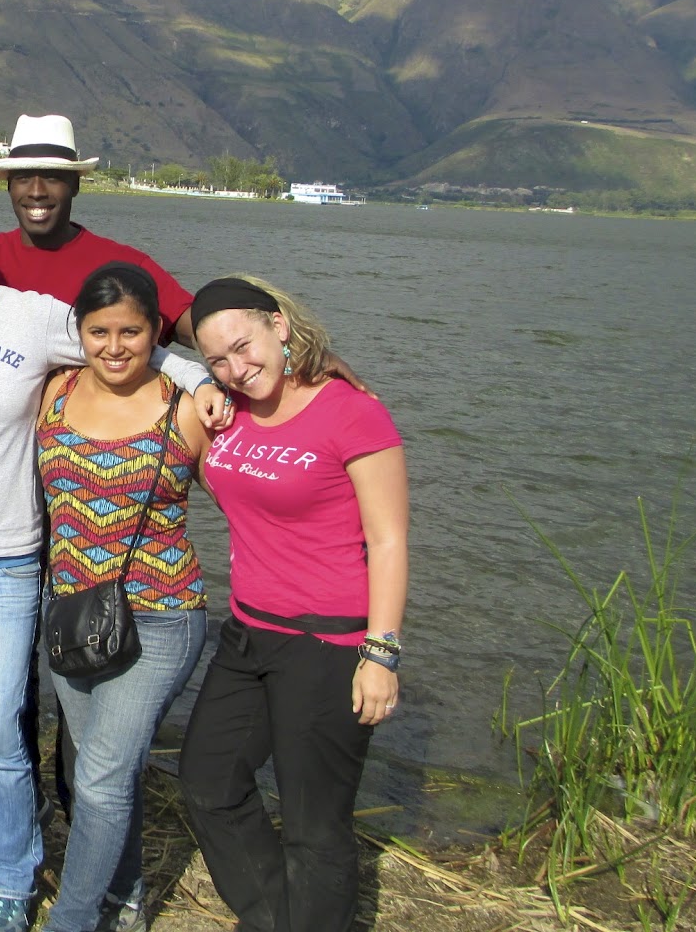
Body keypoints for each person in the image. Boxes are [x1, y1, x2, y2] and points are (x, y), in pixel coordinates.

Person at [0, 204, 220, 932]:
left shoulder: (33, 316)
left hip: (6, 560)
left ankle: (13, 873)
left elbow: (123, 336)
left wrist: (198, 376)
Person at [178, 276, 408, 932]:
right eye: (218, 360)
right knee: (208, 783)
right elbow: (138, 349)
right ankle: (275, 918)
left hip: (328, 643)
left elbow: (389, 540)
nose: (237, 368)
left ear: (278, 326)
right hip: (247, 633)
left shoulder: (351, 411)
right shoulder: (227, 406)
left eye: (243, 346)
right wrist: (199, 383)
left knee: (315, 824)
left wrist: (381, 654)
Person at [35, 263, 211, 932]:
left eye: (131, 332)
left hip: (162, 616)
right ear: (79, 331)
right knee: (101, 772)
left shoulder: (186, 405)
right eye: (99, 332)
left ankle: (73, 919)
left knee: (103, 776)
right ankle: (126, 895)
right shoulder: (54, 391)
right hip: (71, 613)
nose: (114, 347)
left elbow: (254, 497)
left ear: (156, 331)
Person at [0, 114, 194, 345]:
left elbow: (198, 329)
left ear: (75, 186)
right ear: (9, 187)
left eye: (52, 178)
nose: (36, 192)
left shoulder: (125, 265)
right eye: (23, 179)